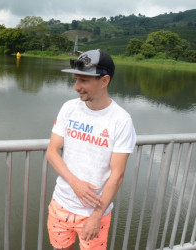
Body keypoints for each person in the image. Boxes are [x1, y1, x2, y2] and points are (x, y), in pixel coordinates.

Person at [47, 49, 136, 250]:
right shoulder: (69, 108)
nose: (76, 87)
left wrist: (96, 216)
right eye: (76, 79)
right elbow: (52, 151)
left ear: (104, 81)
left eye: (84, 81)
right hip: (60, 204)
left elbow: (117, 175)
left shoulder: (121, 121)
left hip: (95, 213)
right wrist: (75, 183)